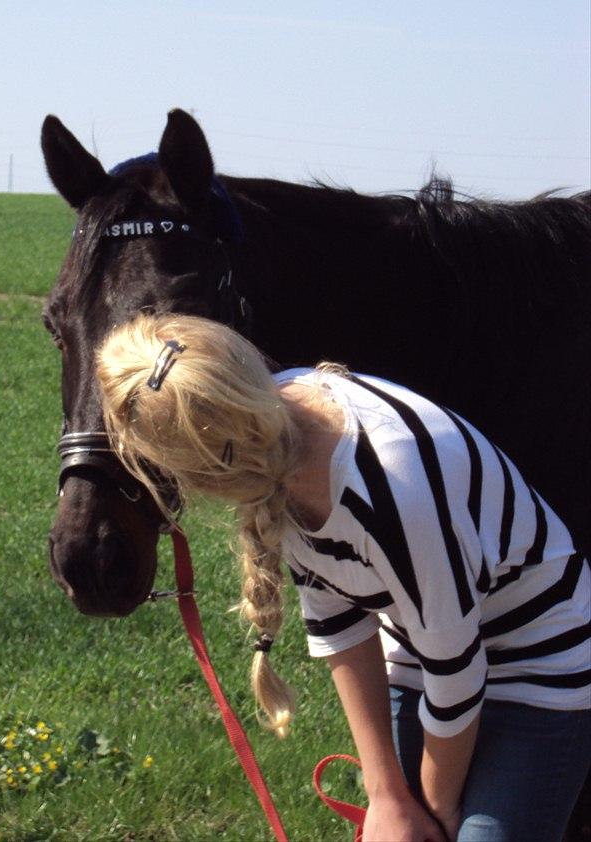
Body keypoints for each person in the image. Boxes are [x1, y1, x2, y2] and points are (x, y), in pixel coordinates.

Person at [95, 312, 590, 842]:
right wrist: (386, 797)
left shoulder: (390, 483)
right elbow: (342, 622)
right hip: (426, 651)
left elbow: (459, 673)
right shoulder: (265, 434)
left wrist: (437, 807)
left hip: (543, 661)